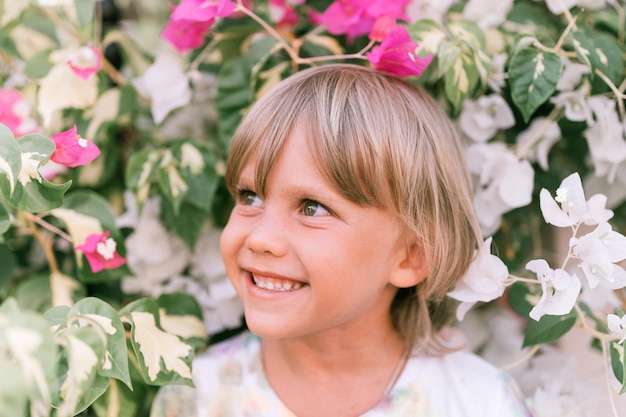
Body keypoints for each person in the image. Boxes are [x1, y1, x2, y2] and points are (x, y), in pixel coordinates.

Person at [150, 64, 533, 416]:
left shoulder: (478, 403)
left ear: (411, 256)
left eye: (312, 208)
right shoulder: (195, 397)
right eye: (250, 197)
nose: (262, 238)